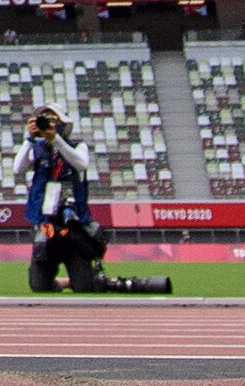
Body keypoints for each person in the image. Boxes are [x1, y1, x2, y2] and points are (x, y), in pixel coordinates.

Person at [20, 102, 170, 295]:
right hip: (48, 227)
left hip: (73, 228)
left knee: (86, 288)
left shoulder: (76, 147)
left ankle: (101, 281)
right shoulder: (37, 150)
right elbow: (18, 168)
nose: (47, 124)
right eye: (44, 120)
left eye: (52, 120)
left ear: (62, 124)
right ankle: (64, 282)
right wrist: (28, 140)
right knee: (39, 286)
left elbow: (80, 164)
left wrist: (56, 140)